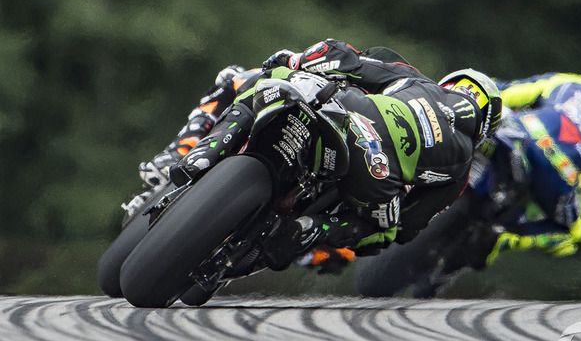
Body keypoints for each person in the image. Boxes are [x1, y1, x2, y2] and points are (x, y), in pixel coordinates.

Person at [129, 39, 502, 269]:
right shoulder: (461, 170)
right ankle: (308, 231)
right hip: (375, 177)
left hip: (347, 118)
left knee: (244, 79)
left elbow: (343, 57)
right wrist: (341, 232)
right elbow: (407, 230)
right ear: (484, 126)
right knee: (381, 229)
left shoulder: (416, 81)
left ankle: (195, 154)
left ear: (449, 84)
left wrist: (294, 61)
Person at [471, 69, 581, 266]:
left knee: (481, 125)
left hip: (521, 133)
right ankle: (507, 238)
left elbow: (508, 93)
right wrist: (580, 187)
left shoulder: (570, 81)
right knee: (574, 233)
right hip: (558, 171)